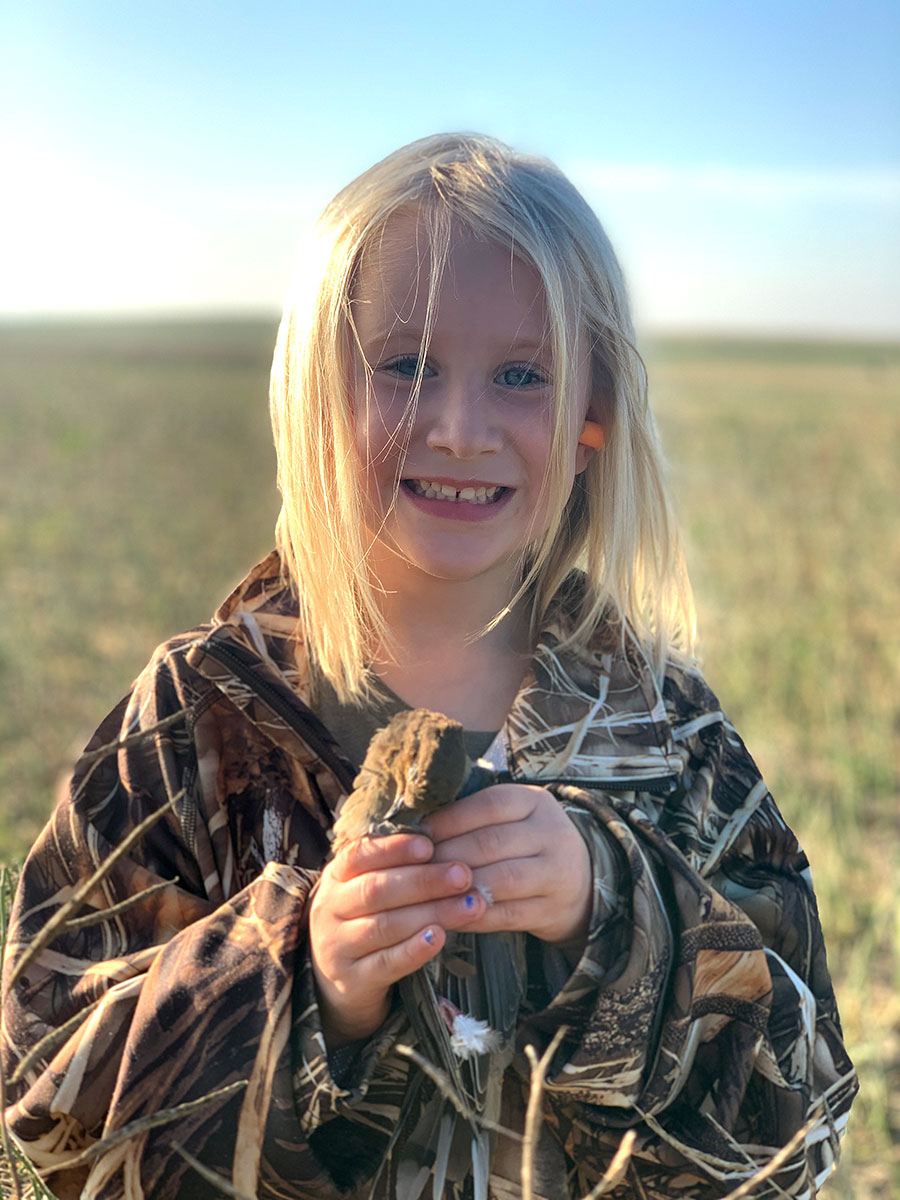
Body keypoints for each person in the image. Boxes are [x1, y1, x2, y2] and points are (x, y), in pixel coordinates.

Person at [1, 134, 856, 1200]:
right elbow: (47, 1105)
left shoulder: (672, 736)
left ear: (590, 415)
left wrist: (615, 914)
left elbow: (802, 1122)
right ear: (318, 394)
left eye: (519, 376)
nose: (458, 430)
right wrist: (302, 978)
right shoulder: (192, 723)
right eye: (404, 367)